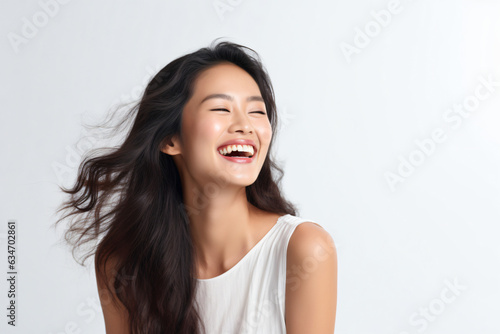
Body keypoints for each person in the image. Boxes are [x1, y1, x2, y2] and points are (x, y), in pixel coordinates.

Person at [54, 38, 337, 334]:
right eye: (220, 109)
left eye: (257, 111)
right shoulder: (123, 263)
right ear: (170, 139)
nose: (245, 125)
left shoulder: (304, 249)